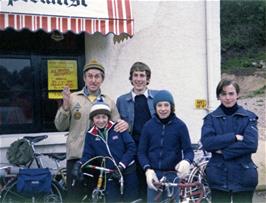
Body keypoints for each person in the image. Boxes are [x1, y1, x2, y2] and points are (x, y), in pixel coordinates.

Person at [54, 59, 128, 202]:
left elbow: (117, 127)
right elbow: (60, 126)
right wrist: (65, 106)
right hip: (76, 157)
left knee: (98, 197)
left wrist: (125, 125)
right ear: (84, 78)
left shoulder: (108, 101)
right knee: (75, 197)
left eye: (97, 76)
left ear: (102, 79)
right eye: (90, 76)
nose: (93, 80)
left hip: (99, 159)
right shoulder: (73, 98)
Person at [201, 79, 258, 203]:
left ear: (237, 95)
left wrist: (223, 151)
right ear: (218, 96)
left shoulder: (249, 117)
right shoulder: (211, 119)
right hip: (218, 176)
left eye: (231, 93)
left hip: (244, 174)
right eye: (223, 94)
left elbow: (251, 145)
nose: (228, 97)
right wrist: (234, 137)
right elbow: (207, 143)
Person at [72, 102, 138, 202]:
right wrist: (79, 164)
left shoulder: (117, 127)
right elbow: (88, 154)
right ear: (92, 119)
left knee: (131, 200)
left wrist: (121, 166)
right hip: (110, 173)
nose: (101, 120)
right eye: (97, 117)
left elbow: (131, 147)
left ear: (108, 117)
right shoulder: (91, 134)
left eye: (104, 117)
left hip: (128, 171)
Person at [138, 90, 194, 203]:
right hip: (154, 175)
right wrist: (147, 169)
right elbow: (141, 152)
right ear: (155, 107)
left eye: (166, 105)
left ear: (171, 106)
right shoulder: (148, 126)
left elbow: (189, 151)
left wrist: (186, 161)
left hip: (172, 175)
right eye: (159, 105)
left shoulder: (180, 126)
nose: (163, 109)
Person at [116, 61, 158, 200]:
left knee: (153, 185)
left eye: (142, 75)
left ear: (148, 79)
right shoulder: (121, 100)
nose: (139, 79)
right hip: (133, 149)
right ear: (131, 78)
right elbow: (118, 124)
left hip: (153, 148)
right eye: (135, 75)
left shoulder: (157, 97)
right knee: (135, 187)